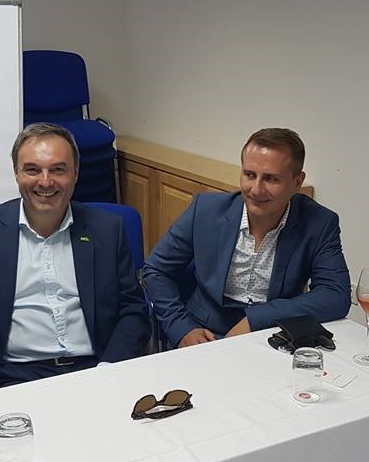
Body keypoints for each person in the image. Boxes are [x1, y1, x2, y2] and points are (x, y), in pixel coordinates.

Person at [0, 123, 150, 396]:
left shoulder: (107, 229)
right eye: (32, 170)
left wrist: (109, 371)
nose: (45, 182)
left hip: (95, 370)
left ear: (75, 173)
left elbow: (133, 310)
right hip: (14, 377)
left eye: (58, 169)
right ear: (16, 173)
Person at [142, 128, 351, 348]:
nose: (256, 190)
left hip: (273, 335)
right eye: (250, 175)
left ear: (297, 182)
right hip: (204, 334)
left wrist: (256, 319)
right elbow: (156, 270)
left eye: (271, 179)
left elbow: (335, 295)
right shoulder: (204, 210)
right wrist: (182, 328)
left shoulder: (320, 223)